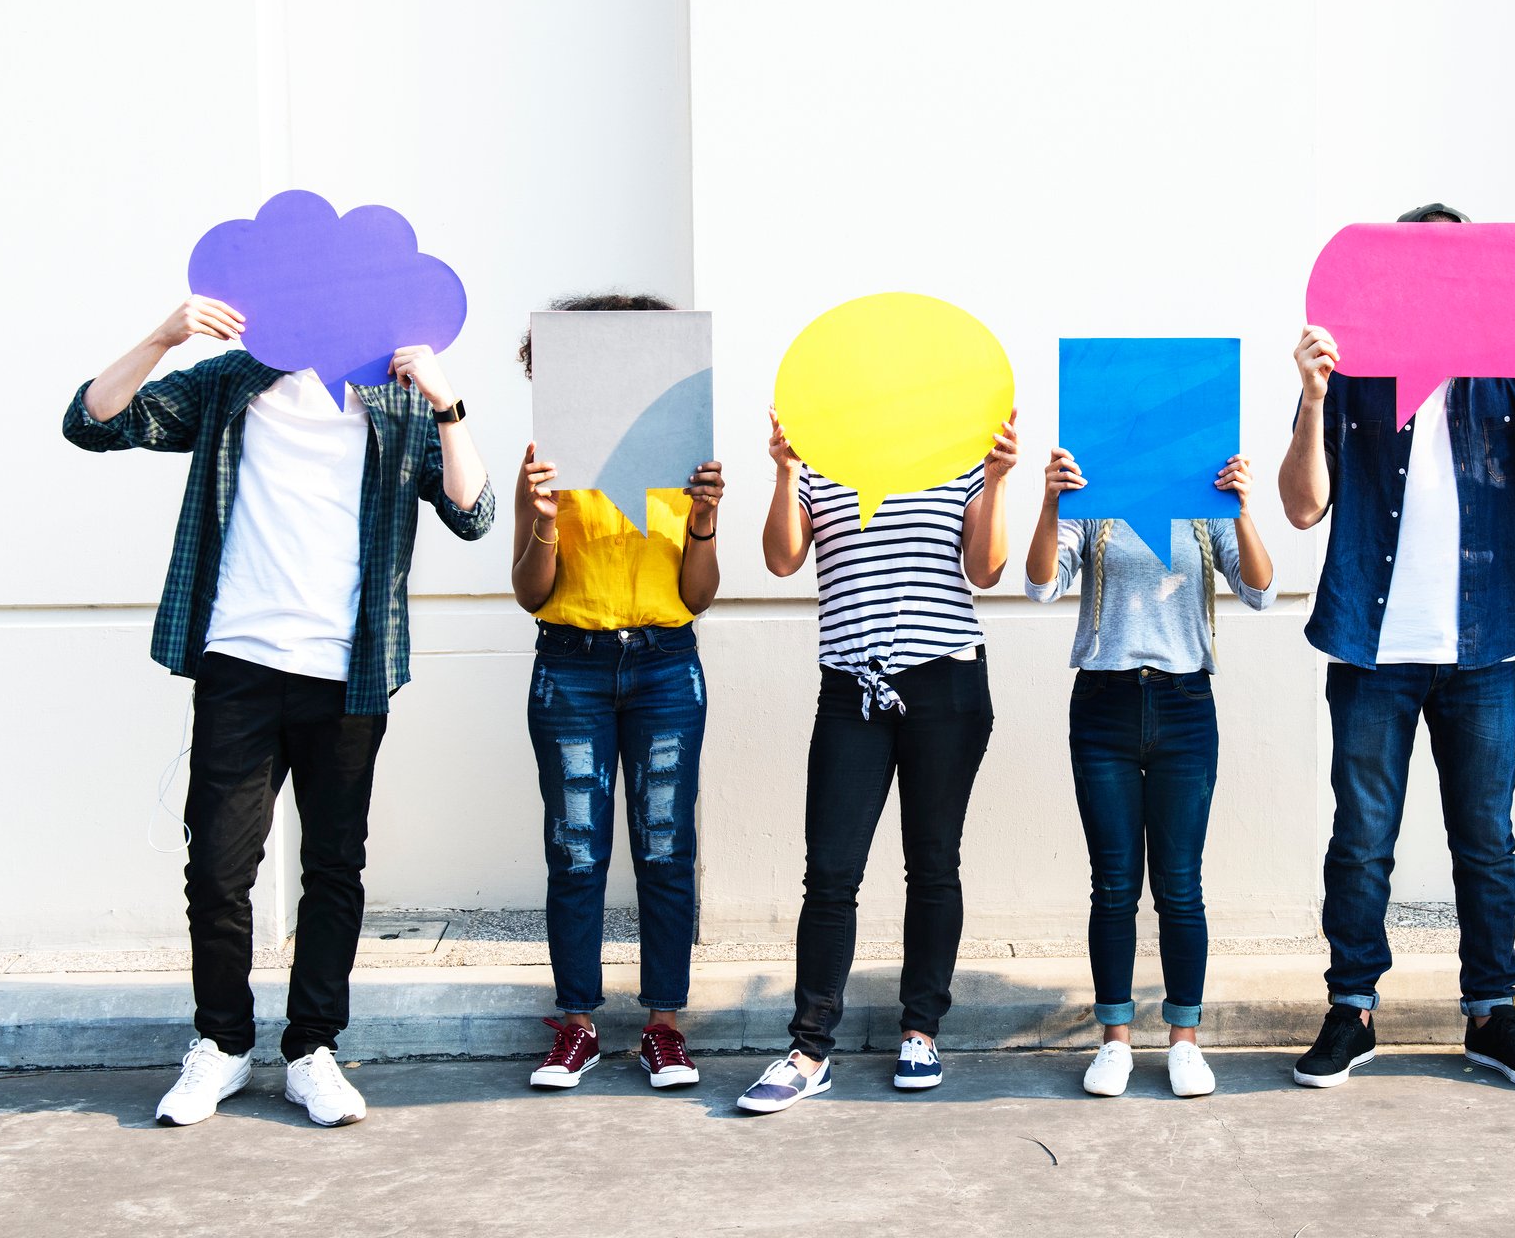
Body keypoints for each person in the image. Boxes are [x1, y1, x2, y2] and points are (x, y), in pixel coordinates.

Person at [62, 295, 493, 1127]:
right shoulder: (234, 380)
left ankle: (312, 1051)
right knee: (219, 872)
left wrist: (447, 403)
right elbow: (92, 422)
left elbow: (472, 514)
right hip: (240, 664)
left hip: (348, 674)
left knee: (333, 869)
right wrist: (163, 334)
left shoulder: (400, 393)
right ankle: (222, 1045)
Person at [1276, 201, 1515, 1092]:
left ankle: (1492, 1015)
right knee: (1362, 839)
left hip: (1483, 648)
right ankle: (1352, 1012)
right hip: (1372, 648)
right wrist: (1311, 401)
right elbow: (1304, 505)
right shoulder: (1352, 374)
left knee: (1486, 842)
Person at [735, 404, 1019, 1113]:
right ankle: (808, 1050)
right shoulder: (822, 453)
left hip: (946, 681)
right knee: (830, 872)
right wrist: (785, 470)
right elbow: (780, 558)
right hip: (851, 685)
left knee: (933, 864)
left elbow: (986, 569)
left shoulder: (956, 453)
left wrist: (997, 478)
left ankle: (921, 1030)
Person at [510, 295, 725, 1092]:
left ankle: (664, 1027)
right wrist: (540, 516)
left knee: (666, 846)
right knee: (575, 848)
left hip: (666, 661)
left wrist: (702, 520)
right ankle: (577, 1025)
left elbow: (698, 596)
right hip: (571, 662)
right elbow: (532, 592)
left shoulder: (682, 460)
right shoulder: (553, 461)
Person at [1024, 447, 1274, 1098]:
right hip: (1103, 707)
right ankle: (1115, 1041)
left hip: (1185, 706)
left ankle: (1184, 1041)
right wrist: (1051, 502)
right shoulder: (1094, 498)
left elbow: (1262, 589)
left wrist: (1241, 509)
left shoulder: (1203, 496)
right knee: (1113, 885)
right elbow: (1040, 583)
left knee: (1180, 886)